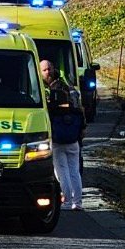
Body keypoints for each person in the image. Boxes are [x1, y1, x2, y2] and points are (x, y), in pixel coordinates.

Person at [40, 59, 85, 211]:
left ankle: (67, 202)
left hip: (58, 138)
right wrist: (81, 130)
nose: (47, 72)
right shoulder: (68, 86)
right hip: (73, 137)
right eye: (45, 70)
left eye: (48, 69)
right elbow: (79, 110)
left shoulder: (46, 92)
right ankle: (77, 202)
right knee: (74, 171)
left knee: (61, 171)